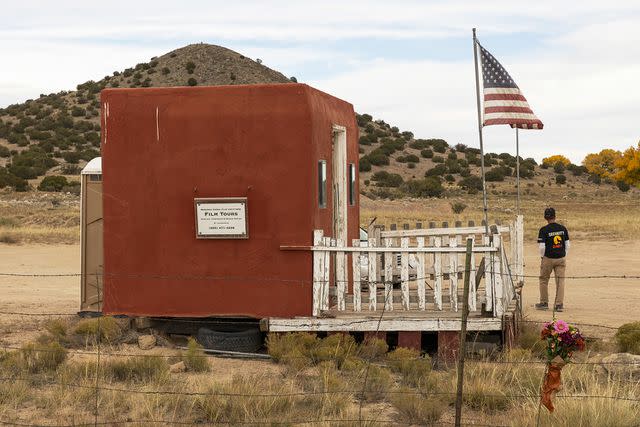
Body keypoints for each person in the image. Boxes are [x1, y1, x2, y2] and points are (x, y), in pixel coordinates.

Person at [535, 207, 570, 312]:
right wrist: (564, 254)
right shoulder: (563, 229)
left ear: (545, 217)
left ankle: (544, 302)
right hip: (561, 258)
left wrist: (542, 256)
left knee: (543, 280)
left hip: (548, 258)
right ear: (555, 216)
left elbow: (542, 246)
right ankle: (559, 304)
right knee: (560, 281)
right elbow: (568, 244)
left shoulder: (544, 230)